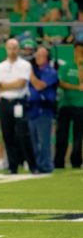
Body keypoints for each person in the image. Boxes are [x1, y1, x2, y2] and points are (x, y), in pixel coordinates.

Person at [0, 38, 37, 174]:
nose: (12, 50)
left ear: (18, 49)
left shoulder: (25, 65)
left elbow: (21, 84)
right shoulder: (0, 66)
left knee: (23, 134)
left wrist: (3, 85)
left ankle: (32, 166)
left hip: (19, 102)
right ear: (6, 49)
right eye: (10, 47)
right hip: (5, 103)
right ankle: (12, 167)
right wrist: (10, 85)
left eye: (15, 47)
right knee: (8, 135)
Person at [28, 46, 58, 174]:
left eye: (41, 55)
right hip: (31, 109)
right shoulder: (34, 70)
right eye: (37, 55)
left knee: (43, 141)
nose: (38, 58)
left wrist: (29, 74)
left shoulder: (50, 72)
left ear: (47, 58)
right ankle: (37, 166)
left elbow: (39, 86)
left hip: (44, 110)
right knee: (33, 141)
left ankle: (46, 166)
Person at [54, 41, 83, 169]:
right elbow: (61, 83)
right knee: (62, 135)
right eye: (77, 50)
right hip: (65, 104)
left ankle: (76, 161)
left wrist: (80, 66)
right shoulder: (66, 66)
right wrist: (76, 87)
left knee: (78, 135)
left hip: (80, 104)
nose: (79, 53)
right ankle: (59, 162)